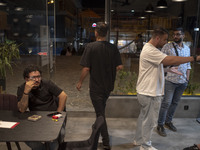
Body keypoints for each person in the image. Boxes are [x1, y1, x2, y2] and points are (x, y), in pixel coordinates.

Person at [133, 27, 200, 150]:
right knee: (150, 121)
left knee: (143, 117)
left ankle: (138, 140)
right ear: (157, 38)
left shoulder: (150, 49)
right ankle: (145, 145)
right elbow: (169, 59)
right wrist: (194, 58)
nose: (165, 42)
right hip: (150, 92)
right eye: (164, 39)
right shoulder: (150, 50)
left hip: (146, 90)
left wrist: (168, 69)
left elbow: (153, 68)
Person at [76, 22, 123, 150]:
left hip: (96, 87)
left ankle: (106, 142)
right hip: (108, 87)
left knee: (100, 114)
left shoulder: (90, 47)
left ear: (96, 33)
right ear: (106, 34)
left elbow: (86, 68)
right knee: (101, 109)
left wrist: (80, 82)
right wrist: (109, 70)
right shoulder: (113, 48)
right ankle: (97, 126)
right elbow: (119, 66)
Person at [17, 64, 67, 150]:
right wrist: (26, 92)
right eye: (33, 77)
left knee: (57, 136)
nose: (37, 80)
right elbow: (22, 109)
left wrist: (58, 113)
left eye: (38, 77)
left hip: (52, 116)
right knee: (25, 137)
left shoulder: (47, 83)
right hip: (36, 119)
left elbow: (63, 96)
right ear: (26, 79)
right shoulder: (22, 88)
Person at [157, 27, 191, 137]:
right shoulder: (167, 46)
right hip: (170, 80)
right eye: (174, 34)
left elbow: (188, 64)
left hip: (182, 81)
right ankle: (160, 124)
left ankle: (168, 121)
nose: (175, 36)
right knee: (166, 103)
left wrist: (187, 78)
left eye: (178, 34)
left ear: (183, 36)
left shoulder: (187, 48)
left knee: (175, 103)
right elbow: (160, 61)